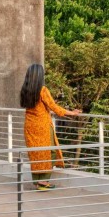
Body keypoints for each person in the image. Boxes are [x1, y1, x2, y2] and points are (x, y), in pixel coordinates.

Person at [18, 63, 80, 191]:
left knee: (36, 154)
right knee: (50, 152)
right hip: (43, 126)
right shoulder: (43, 90)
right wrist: (72, 113)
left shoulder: (25, 90)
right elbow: (54, 107)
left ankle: (38, 182)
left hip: (30, 125)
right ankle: (43, 182)